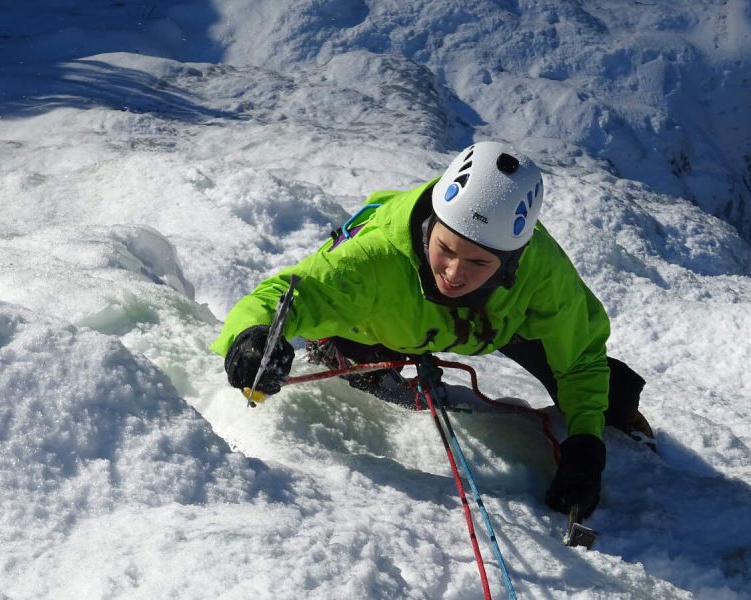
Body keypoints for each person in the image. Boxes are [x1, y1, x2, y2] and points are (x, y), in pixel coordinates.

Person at [211, 141, 653, 519]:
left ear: (513, 260)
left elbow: (581, 359)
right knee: (370, 364)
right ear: (430, 227)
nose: (455, 273)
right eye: (445, 249)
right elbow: (284, 296)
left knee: (611, 393)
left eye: (478, 263)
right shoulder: (376, 259)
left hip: (491, 323)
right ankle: (345, 353)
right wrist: (250, 338)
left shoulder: (541, 273)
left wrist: (585, 446)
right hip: (385, 321)